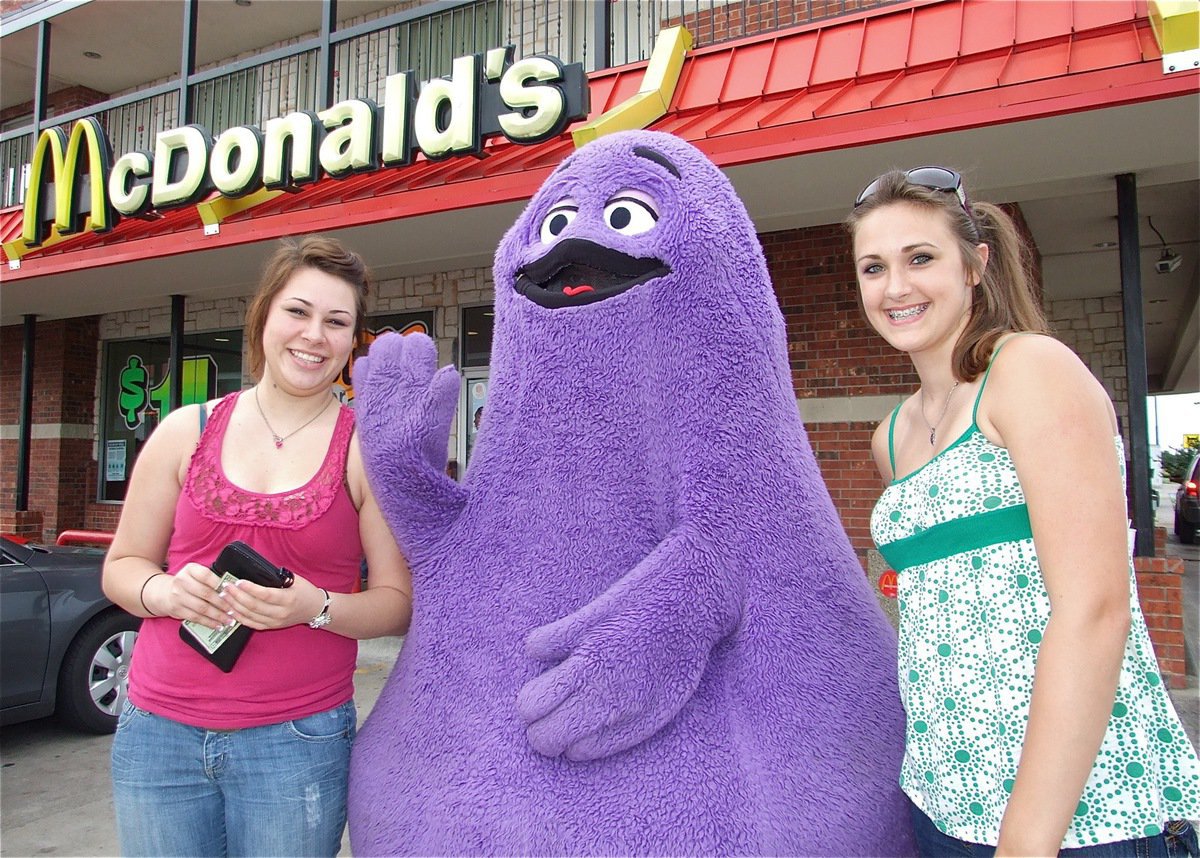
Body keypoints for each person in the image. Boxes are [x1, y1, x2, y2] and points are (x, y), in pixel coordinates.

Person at [846, 167, 1200, 856]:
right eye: (872, 267)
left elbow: (1095, 609)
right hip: (945, 807)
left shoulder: (1030, 370)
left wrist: (1028, 840)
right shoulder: (892, 435)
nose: (895, 287)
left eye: (921, 258)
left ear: (977, 266)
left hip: (1080, 820)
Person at [103, 236, 413, 857]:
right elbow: (121, 567)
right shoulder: (183, 431)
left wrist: (315, 607)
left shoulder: (367, 450)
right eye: (298, 312)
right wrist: (163, 591)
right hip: (158, 732)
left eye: (336, 321)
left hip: (296, 741)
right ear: (264, 314)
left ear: (352, 340)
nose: (313, 335)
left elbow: (396, 602)